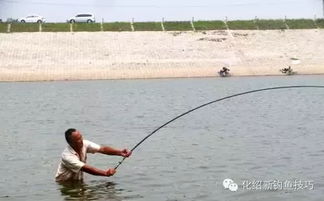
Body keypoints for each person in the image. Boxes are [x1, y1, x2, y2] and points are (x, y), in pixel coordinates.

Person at [55, 128, 132, 182]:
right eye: (78, 140)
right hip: (64, 183)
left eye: (81, 137)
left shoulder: (84, 143)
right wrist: (105, 173)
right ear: (70, 143)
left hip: (78, 182)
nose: (81, 141)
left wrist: (120, 152)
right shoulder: (67, 156)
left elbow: (102, 149)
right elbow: (85, 168)